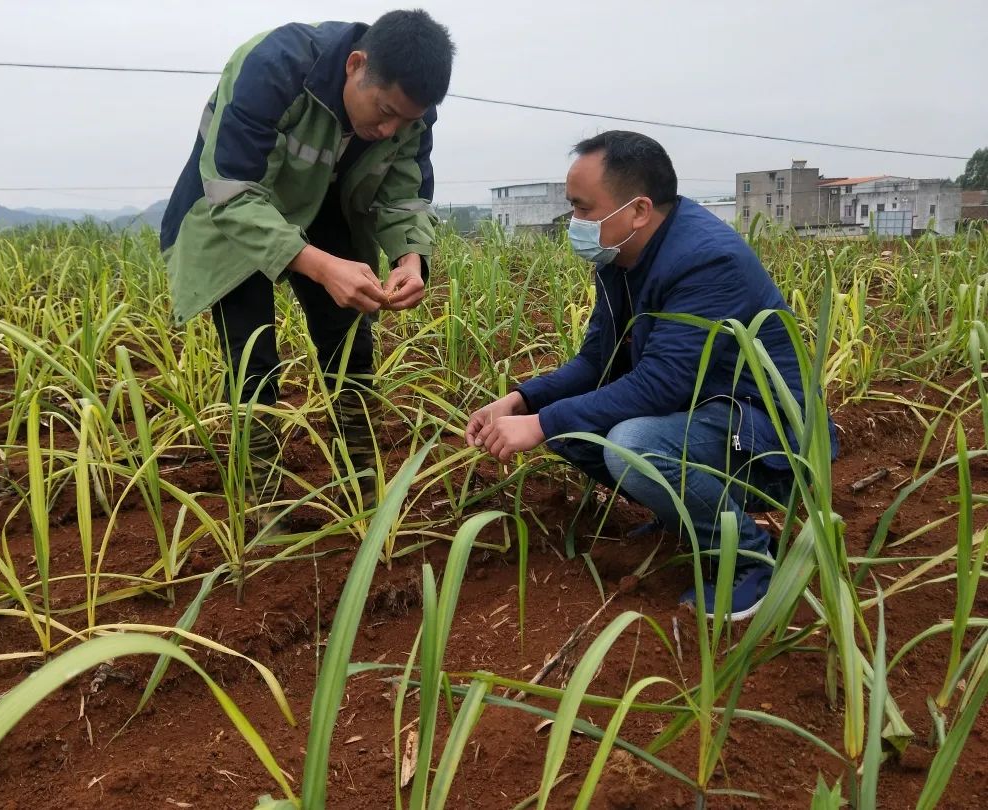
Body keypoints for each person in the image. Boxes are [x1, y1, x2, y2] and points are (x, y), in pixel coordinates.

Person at [465, 131, 838, 621]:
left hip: (772, 438)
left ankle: (751, 559)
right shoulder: (620, 257)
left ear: (638, 210)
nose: (573, 222)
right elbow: (598, 360)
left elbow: (663, 383)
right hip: (708, 414)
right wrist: (522, 401)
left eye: (582, 208)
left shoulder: (707, 260)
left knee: (633, 442)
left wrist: (540, 423)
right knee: (569, 427)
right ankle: (682, 514)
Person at [160, 11, 454, 516]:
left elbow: (405, 192)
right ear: (355, 65)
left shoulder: (409, 114)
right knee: (252, 358)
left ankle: (363, 485)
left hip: (328, 205)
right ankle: (263, 502)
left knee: (350, 345)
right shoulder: (273, 66)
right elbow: (231, 191)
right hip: (235, 212)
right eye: (384, 112)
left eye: (406, 121)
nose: (390, 130)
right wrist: (319, 266)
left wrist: (411, 258)